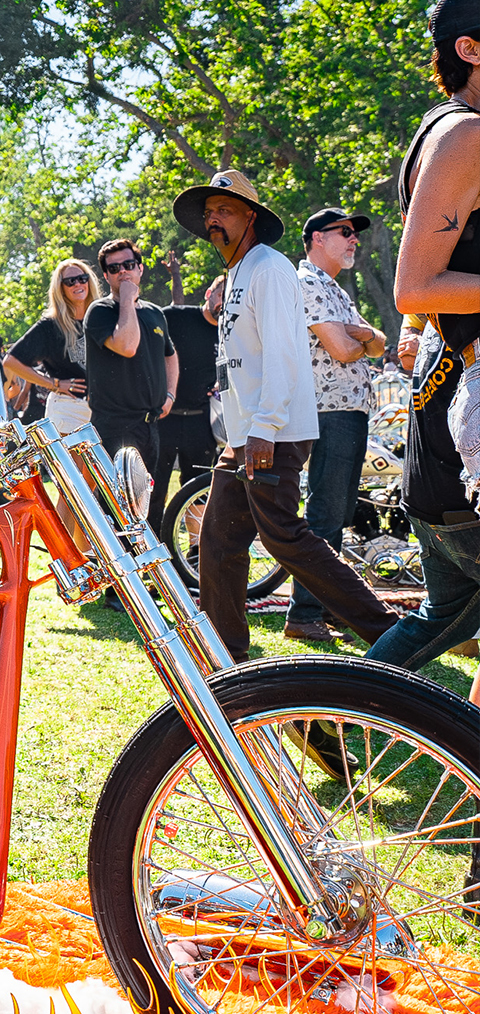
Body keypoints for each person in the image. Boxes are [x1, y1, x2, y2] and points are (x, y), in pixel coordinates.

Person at [172, 169, 396, 661]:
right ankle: (225, 655)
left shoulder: (269, 268)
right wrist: (242, 432)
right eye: (209, 212)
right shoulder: (238, 272)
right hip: (246, 434)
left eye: (225, 210)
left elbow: (282, 354)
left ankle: (392, 636)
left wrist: (264, 428)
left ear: (251, 217)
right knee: (219, 541)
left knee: (285, 538)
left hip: (271, 433)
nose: (213, 220)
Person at [365, 3, 480, 705]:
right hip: (464, 408)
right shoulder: (465, 133)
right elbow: (414, 285)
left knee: (448, 614)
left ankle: (325, 712)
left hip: (446, 421)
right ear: (471, 48)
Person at [283, 207, 386, 642]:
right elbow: (344, 350)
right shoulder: (307, 281)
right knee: (325, 514)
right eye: (344, 232)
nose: (353, 239)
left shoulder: (335, 288)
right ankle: (304, 614)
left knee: (337, 513)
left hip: (348, 411)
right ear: (317, 238)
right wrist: (359, 337)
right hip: (329, 411)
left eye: (354, 233)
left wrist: (360, 336)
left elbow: (380, 344)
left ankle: (328, 605)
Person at [85, 238, 179, 471]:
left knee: (149, 493)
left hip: (150, 426)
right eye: (114, 268)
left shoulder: (154, 312)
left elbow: (170, 354)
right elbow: (127, 346)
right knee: (119, 495)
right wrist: (127, 298)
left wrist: (170, 395)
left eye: (128, 265)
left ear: (140, 268)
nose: (122, 272)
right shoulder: (100, 311)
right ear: (106, 276)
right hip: (114, 428)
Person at [152, 275, 224, 534]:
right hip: (163, 417)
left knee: (198, 488)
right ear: (209, 294)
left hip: (200, 420)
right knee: (154, 486)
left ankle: (194, 550)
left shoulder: (230, 331)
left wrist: (220, 385)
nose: (225, 303)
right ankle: (149, 547)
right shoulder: (175, 316)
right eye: (221, 295)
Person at [2, 259, 101, 436]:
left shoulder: (102, 318)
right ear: (60, 288)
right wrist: (54, 384)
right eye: (70, 281)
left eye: (82, 278)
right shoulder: (51, 325)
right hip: (68, 409)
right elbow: (11, 361)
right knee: (73, 457)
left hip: (104, 409)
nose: (77, 284)